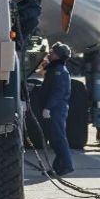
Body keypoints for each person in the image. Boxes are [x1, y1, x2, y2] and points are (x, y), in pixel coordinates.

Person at [39, 42, 74, 176]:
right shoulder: (53, 69)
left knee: (58, 138)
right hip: (53, 108)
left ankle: (66, 166)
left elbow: (58, 92)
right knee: (54, 139)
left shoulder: (59, 71)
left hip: (56, 109)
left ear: (58, 55)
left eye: (52, 52)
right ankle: (57, 167)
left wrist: (48, 108)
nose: (50, 54)